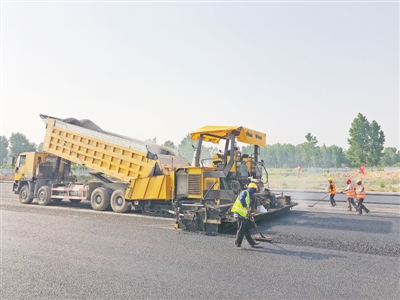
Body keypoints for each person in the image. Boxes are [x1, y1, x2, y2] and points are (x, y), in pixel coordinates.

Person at [231, 182, 261, 249]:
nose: (254, 192)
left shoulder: (250, 196)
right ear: (252, 189)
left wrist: (250, 216)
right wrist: (246, 207)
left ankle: (252, 243)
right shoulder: (244, 192)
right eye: (254, 190)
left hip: (244, 215)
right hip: (239, 214)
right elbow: (242, 199)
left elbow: (248, 208)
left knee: (247, 230)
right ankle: (237, 245)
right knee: (241, 230)